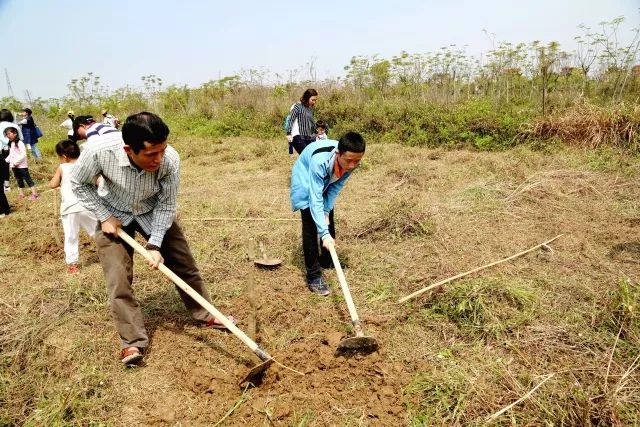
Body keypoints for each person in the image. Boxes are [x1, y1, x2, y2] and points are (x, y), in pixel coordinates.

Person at [71, 111, 234, 366]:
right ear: (128, 149)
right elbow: (78, 184)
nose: (158, 159)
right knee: (118, 279)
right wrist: (104, 216)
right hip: (113, 213)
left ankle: (207, 314)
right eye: (150, 154)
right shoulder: (98, 151)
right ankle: (132, 342)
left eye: (162, 150)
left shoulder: (169, 159)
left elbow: (167, 204)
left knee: (184, 265)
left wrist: (155, 243)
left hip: (152, 211)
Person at [290, 132, 366, 295]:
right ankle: (314, 275)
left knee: (327, 217)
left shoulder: (350, 162)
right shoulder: (319, 161)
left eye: (357, 161)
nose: (352, 165)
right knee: (310, 220)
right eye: (349, 161)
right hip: (305, 176)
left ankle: (326, 259)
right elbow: (315, 197)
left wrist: (325, 211)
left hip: (327, 177)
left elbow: (335, 188)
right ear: (338, 154)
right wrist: (323, 233)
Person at [49, 140, 98, 274]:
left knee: (71, 236)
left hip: (69, 208)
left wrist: (57, 181)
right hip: (87, 206)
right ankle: (112, 251)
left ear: (64, 156)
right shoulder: (85, 166)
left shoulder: (62, 167)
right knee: (98, 231)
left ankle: (72, 265)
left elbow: (53, 184)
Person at [4, 126, 38, 200]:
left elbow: (23, 155)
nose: (8, 135)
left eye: (9, 133)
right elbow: (11, 154)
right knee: (19, 180)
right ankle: (21, 194)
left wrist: (16, 162)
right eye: (7, 134)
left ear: (15, 133)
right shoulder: (12, 144)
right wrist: (6, 160)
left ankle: (34, 194)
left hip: (22, 166)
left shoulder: (20, 143)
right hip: (14, 166)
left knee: (27, 179)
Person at [286, 89, 318, 155]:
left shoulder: (310, 108)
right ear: (307, 97)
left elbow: (311, 121)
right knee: (306, 155)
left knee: (311, 156)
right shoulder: (298, 106)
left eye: (315, 100)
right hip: (297, 136)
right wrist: (288, 133)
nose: (314, 102)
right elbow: (291, 119)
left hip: (308, 136)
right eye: (312, 100)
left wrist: (316, 132)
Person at [0, 109, 23, 192]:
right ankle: (20, 186)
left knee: (3, 167)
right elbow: (21, 138)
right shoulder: (15, 125)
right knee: (18, 166)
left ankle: (6, 186)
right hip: (16, 148)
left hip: (3, 149)